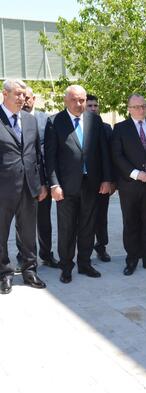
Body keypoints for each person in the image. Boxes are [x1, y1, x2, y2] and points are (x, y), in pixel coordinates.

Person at [44, 85, 112, 284]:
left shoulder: (95, 120)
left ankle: (84, 263)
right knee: (66, 229)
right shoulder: (55, 122)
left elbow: (103, 152)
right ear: (66, 100)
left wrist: (106, 179)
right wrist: (54, 185)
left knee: (87, 226)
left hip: (91, 183)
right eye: (74, 99)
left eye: (82, 100)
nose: (78, 103)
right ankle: (66, 267)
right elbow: (50, 157)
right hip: (65, 187)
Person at [111, 94, 146, 276]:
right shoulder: (120, 128)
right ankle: (132, 259)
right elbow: (117, 156)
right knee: (131, 223)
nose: (140, 109)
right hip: (130, 185)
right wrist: (137, 174)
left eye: (143, 106)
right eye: (136, 107)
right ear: (129, 109)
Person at [0, 79, 47, 294]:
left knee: (28, 233)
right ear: (5, 94)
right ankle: (4, 273)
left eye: (24, 95)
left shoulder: (30, 120)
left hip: (29, 187)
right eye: (17, 94)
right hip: (3, 188)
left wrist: (42, 183)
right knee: (1, 233)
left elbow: (37, 155)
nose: (22, 98)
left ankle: (29, 271)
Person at [22, 86, 58, 268]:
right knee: (23, 222)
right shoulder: (12, 119)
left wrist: (46, 182)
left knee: (44, 221)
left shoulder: (46, 119)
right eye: (22, 97)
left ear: (34, 99)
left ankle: (46, 255)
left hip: (41, 180)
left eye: (27, 97)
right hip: (20, 180)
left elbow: (49, 153)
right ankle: (24, 257)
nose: (24, 101)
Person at [86, 94, 115, 262]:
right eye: (89, 105)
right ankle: (85, 250)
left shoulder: (106, 128)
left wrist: (112, 181)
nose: (93, 108)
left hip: (102, 182)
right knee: (85, 218)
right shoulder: (78, 126)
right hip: (83, 182)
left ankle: (101, 247)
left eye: (95, 105)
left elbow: (111, 156)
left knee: (101, 217)